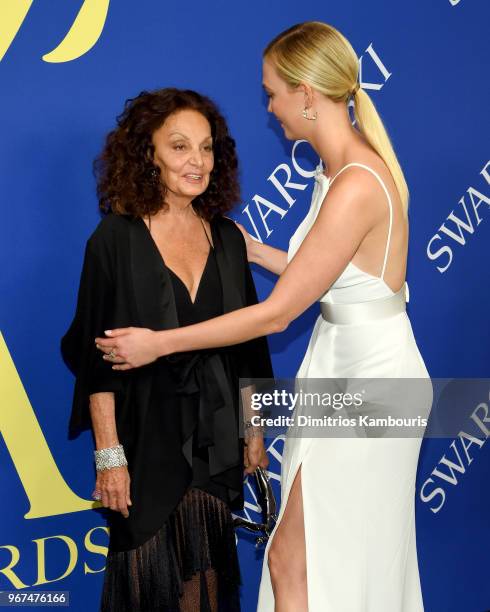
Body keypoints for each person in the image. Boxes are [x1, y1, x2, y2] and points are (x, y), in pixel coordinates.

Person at [93, 22, 432, 612]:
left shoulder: (354, 180)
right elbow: (331, 272)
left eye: (272, 91)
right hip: (342, 370)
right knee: (308, 559)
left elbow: (277, 315)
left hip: (372, 386)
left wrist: (160, 342)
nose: (270, 106)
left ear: (306, 92)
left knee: (317, 558)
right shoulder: (338, 172)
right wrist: (244, 249)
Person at [61, 87, 273, 612]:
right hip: (143, 436)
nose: (197, 161)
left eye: (206, 148)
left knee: (204, 583)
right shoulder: (114, 239)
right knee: (148, 584)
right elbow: (97, 361)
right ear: (148, 152)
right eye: (179, 147)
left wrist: (254, 427)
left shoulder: (227, 236)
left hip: (215, 436)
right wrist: (110, 457)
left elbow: (249, 343)